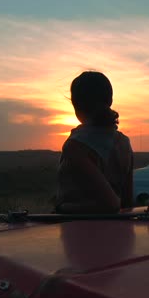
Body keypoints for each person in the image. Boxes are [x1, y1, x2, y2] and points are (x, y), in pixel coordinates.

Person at [54, 71, 134, 214]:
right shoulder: (124, 142)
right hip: (120, 233)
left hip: (80, 232)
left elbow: (112, 205)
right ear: (109, 101)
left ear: (75, 104)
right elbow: (127, 205)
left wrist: (62, 208)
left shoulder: (74, 146)